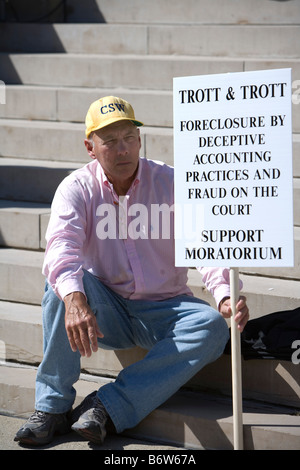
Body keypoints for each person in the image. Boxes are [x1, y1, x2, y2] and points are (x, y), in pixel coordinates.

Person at [14, 96, 249, 446]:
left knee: (212, 326)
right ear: (90, 147)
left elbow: (207, 244)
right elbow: (62, 247)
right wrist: (76, 298)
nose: (122, 150)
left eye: (129, 138)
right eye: (110, 141)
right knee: (61, 285)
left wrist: (226, 293)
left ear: (140, 141)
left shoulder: (170, 182)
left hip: (166, 307)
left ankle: (107, 405)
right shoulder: (76, 187)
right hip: (105, 309)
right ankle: (52, 408)